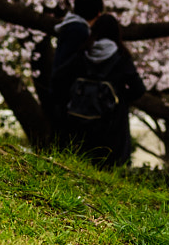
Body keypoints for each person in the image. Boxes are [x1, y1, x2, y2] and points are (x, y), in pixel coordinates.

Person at [61, 13, 146, 168]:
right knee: (111, 165)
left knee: (82, 161)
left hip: (81, 115)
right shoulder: (121, 56)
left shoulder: (83, 53)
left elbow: (64, 78)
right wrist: (121, 97)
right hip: (112, 118)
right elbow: (139, 89)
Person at [39, 0, 102, 146]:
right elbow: (72, 64)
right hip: (67, 94)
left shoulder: (71, 27)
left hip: (61, 91)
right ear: (98, 12)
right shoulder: (78, 31)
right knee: (68, 140)